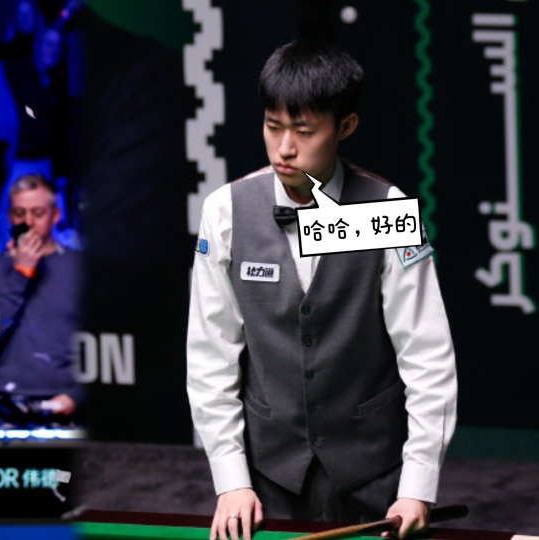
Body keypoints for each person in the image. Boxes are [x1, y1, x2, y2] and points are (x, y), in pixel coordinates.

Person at [186, 40, 458, 540]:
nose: (284, 148)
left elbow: (427, 355)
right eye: (273, 126)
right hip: (267, 477)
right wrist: (231, 480)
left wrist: (418, 484)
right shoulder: (225, 212)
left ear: (345, 127)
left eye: (304, 131)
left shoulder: (384, 211)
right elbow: (210, 356)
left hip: (373, 473)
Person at [0, 173, 81, 426]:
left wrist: (77, 396)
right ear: (10, 217)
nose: (28, 222)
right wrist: (20, 273)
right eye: (19, 213)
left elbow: (103, 344)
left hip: (60, 403)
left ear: (55, 215)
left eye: (38, 213)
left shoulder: (80, 269)